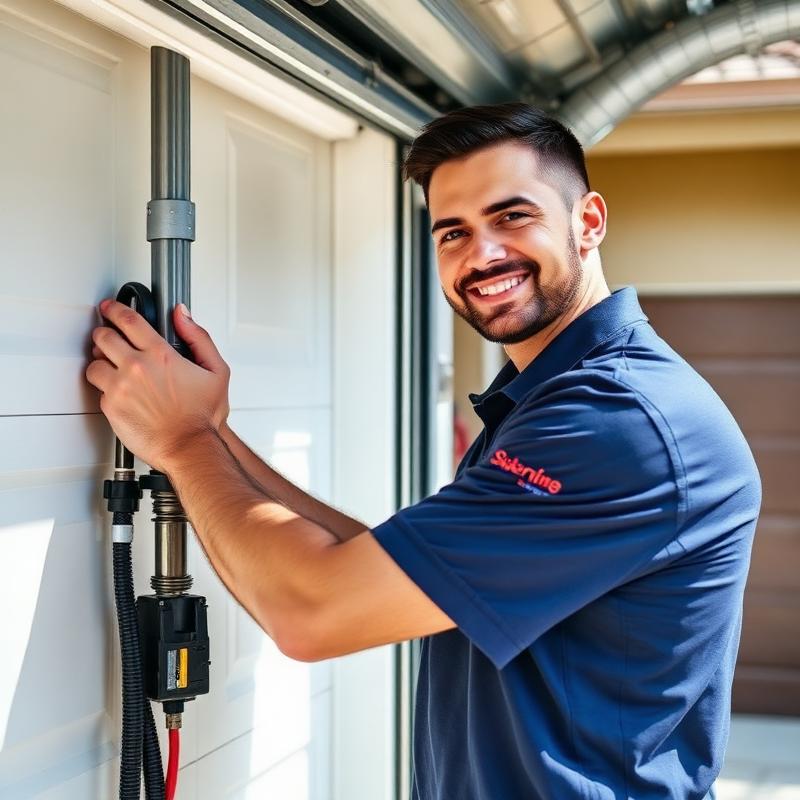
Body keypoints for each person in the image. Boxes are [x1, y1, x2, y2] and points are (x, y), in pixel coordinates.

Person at [86, 103, 762, 799]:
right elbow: (390, 568)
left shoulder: (616, 422)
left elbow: (312, 610)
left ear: (587, 221)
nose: (482, 254)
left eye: (512, 216)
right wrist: (210, 431)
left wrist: (187, 440)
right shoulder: (548, 399)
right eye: (453, 232)